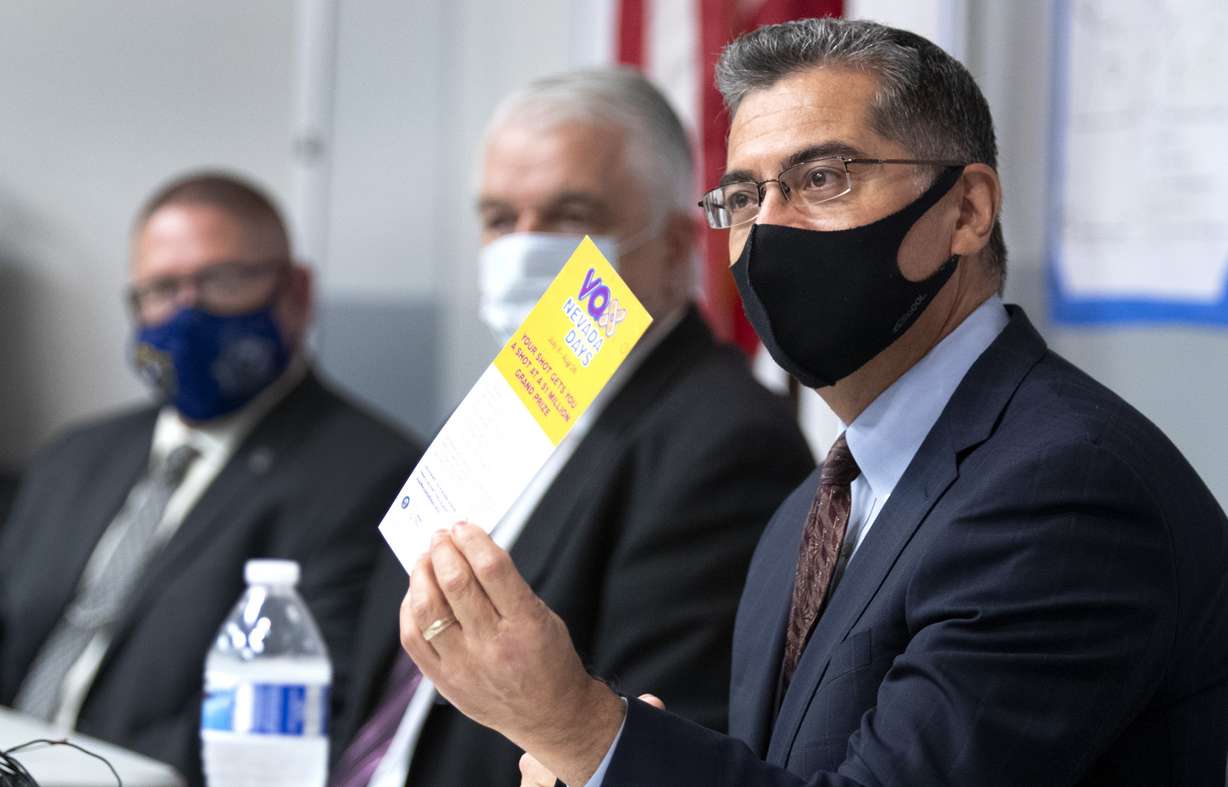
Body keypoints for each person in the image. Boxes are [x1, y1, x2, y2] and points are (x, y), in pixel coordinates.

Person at [395, 19, 1228, 787]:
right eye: (745, 198)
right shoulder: (816, 507)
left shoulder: (1065, 489)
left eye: (823, 178)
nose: (771, 232)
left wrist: (584, 734)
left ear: (968, 210)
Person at [328, 68, 815, 787]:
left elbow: (660, 740)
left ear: (678, 247)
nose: (522, 249)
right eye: (499, 219)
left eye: (569, 216)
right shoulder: (496, 403)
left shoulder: (725, 441)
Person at [0, 173, 422, 787]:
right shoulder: (75, 456)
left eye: (223, 280)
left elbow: (299, 725)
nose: (188, 311)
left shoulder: (371, 476)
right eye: (163, 288)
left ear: (296, 292)